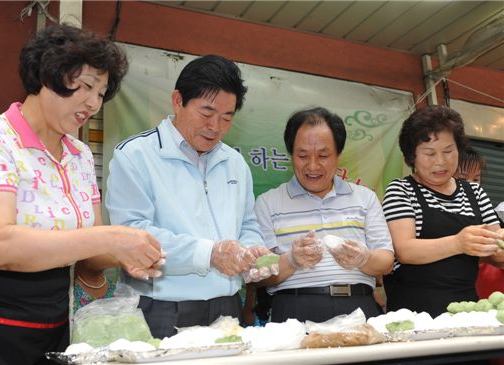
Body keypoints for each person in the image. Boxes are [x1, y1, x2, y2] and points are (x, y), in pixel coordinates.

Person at [0, 24, 164, 365]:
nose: (94, 103)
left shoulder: (80, 156)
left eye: (101, 93)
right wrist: (108, 237)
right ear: (46, 76)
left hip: (54, 324)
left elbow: (88, 257)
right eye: (85, 87)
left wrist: (126, 250)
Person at [106, 55, 275, 339]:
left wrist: (251, 250)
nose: (216, 127)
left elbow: (246, 224)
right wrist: (210, 254)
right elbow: (133, 235)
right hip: (161, 308)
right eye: (206, 113)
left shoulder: (235, 162)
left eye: (227, 117)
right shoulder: (136, 155)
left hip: (227, 307)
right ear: (177, 100)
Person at [253, 107, 394, 323]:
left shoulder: (365, 198)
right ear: (291, 154)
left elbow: (385, 261)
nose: (312, 166)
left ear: (339, 155)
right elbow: (258, 275)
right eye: (302, 156)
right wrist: (291, 260)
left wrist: (363, 258)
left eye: (323, 155)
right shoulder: (267, 203)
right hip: (294, 310)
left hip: (358, 307)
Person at [382, 105, 504, 318]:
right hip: (414, 315)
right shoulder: (401, 190)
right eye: (430, 153)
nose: (440, 161)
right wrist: (458, 243)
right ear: (412, 156)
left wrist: (498, 245)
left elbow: (497, 253)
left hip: (468, 312)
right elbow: (405, 250)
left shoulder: (475, 192)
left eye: (448, 151)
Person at [455, 147, 504, 299]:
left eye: (476, 179)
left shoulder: (485, 207)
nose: (472, 185)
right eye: (463, 179)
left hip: (484, 292)